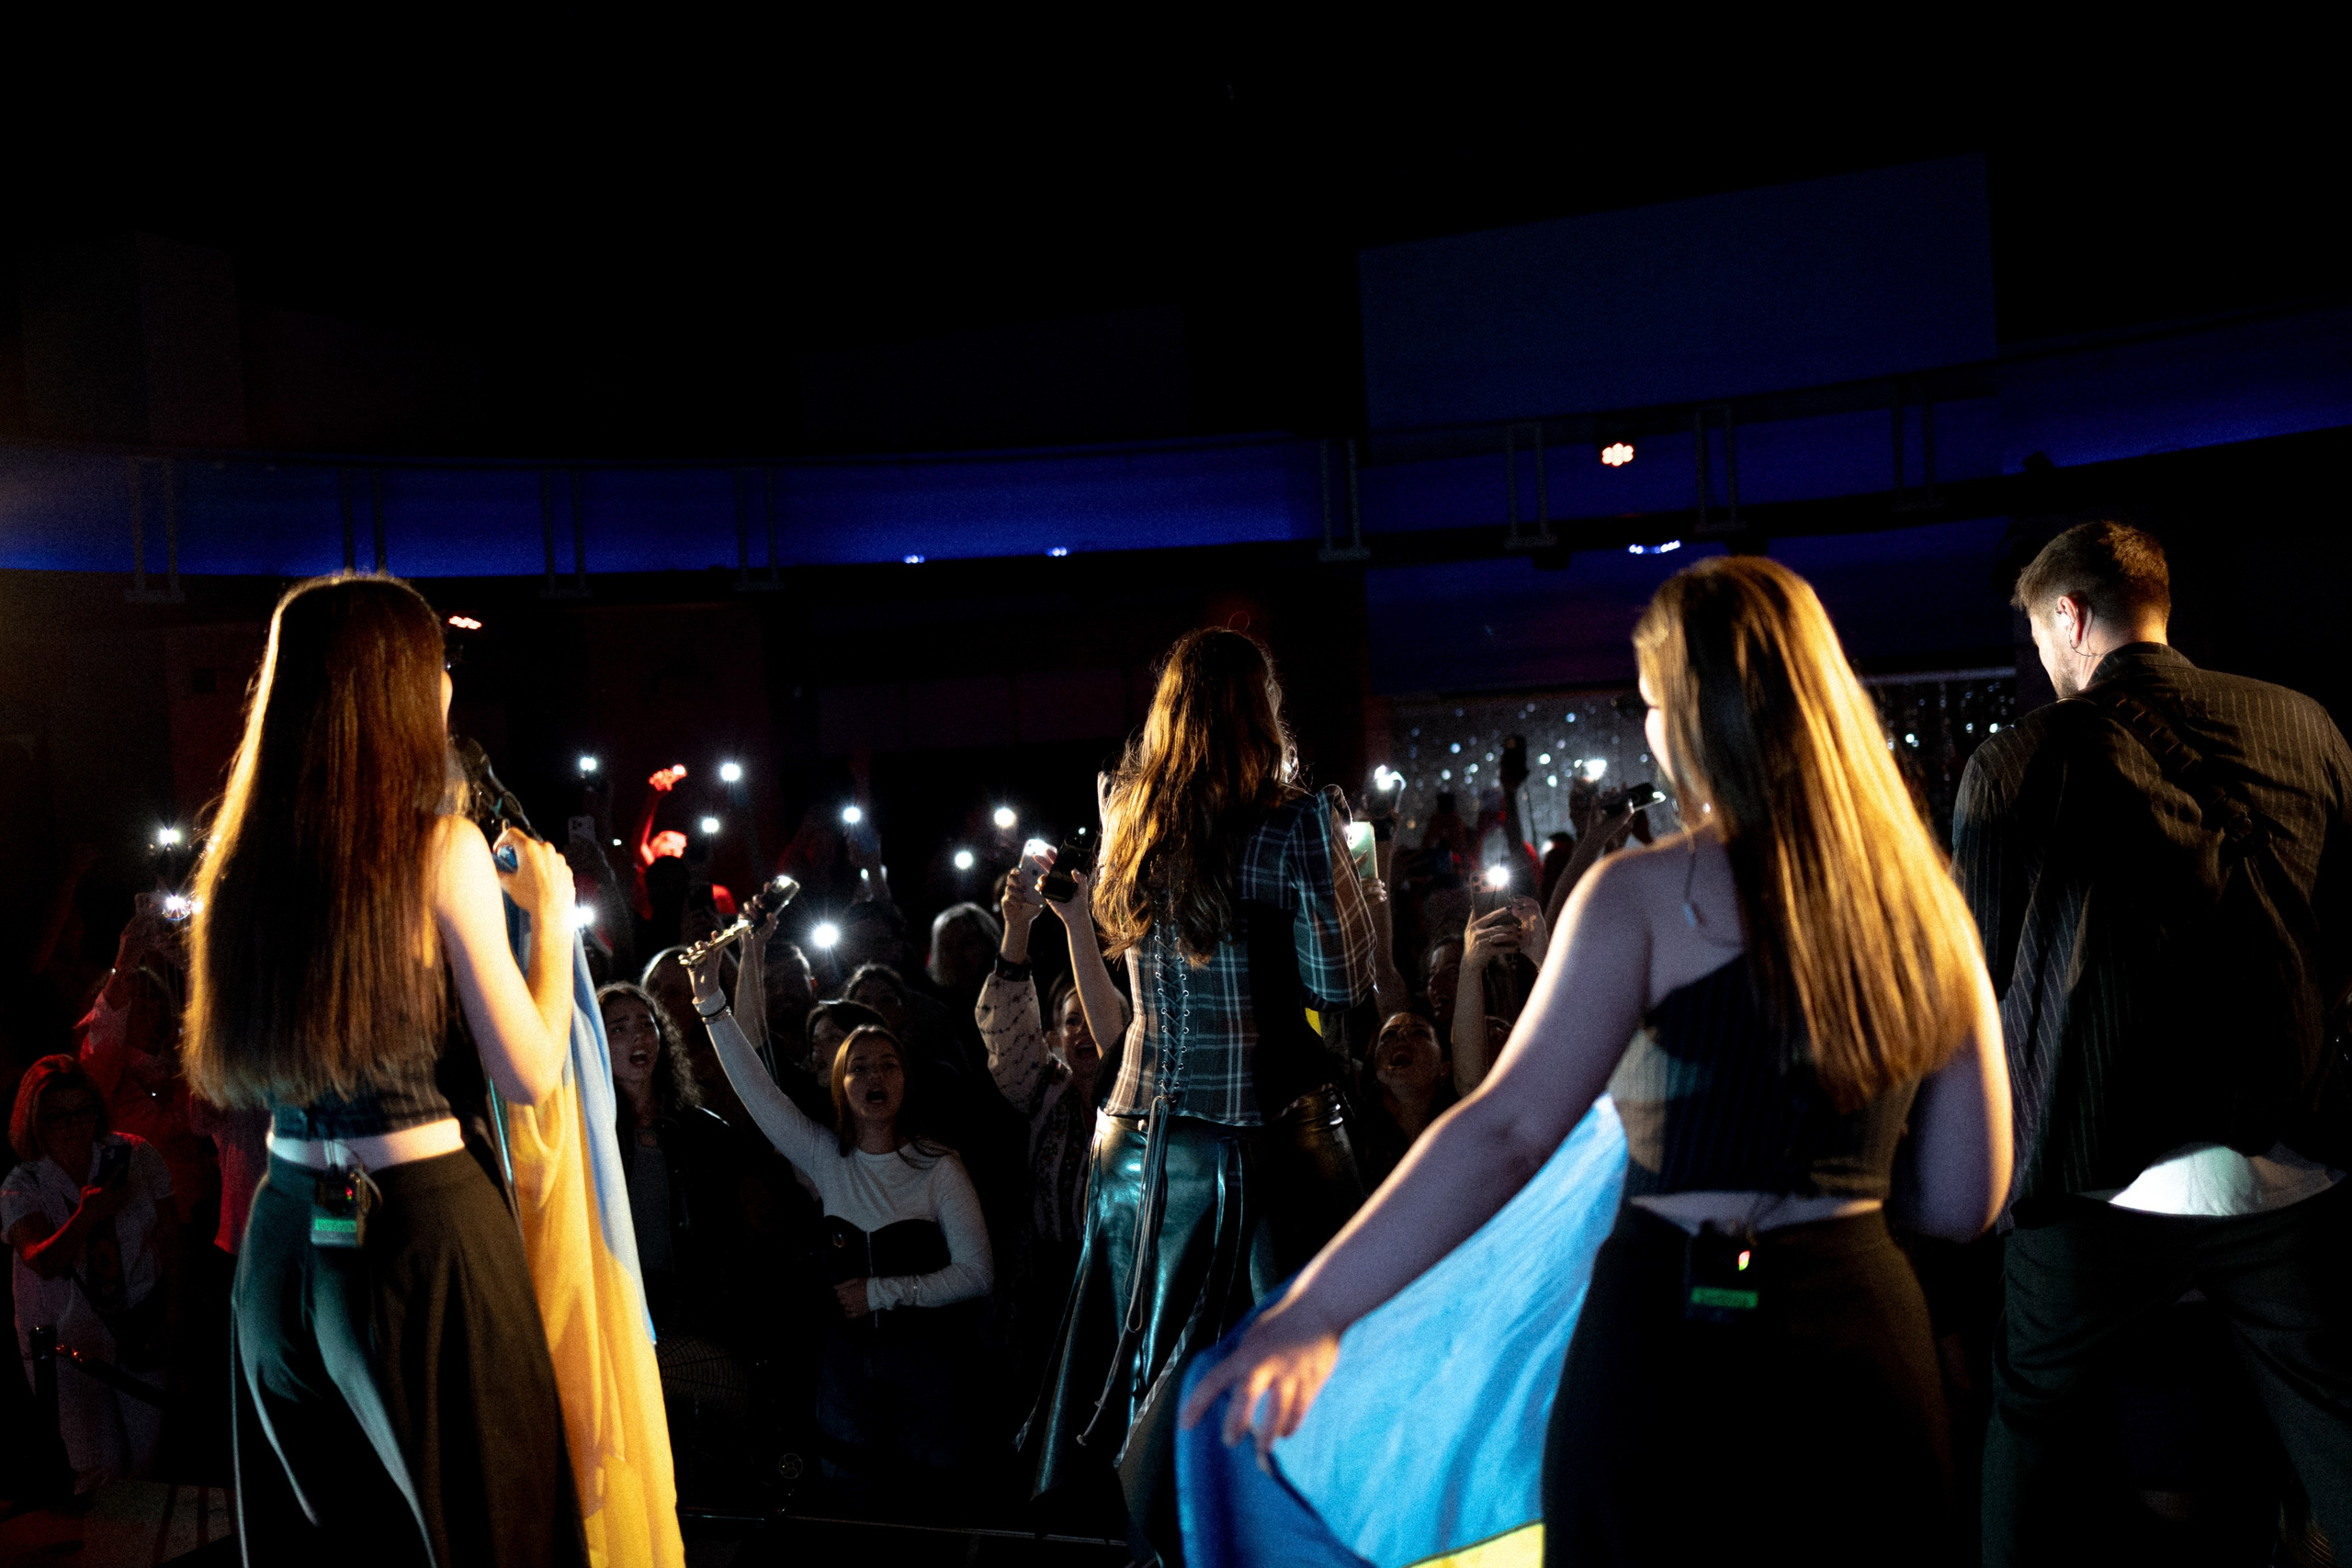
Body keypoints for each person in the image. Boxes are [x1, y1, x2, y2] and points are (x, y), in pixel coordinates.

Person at [1185, 556, 2013, 1568]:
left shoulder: (1643, 895)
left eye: (1652, 701)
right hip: (1862, 1350)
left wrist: (1316, 1310)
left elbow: (1507, 1129)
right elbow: (1965, 1197)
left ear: (1688, 717)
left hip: (1669, 1348)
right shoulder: (1927, 906)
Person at [1953, 522, 2352, 1561]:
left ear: (2070, 617)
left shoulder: (2016, 762)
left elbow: (1980, 985)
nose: (2045, 665)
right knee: (2341, 1438)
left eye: (2043, 638)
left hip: (2095, 1181)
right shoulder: (2307, 728)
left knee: (2028, 1427)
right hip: (2290, 1169)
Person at [182, 573, 583, 1567]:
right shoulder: (437, 850)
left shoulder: (242, 861)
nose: (447, 683)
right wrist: (555, 926)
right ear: (390, 688)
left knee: (328, 1546)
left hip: (282, 1238)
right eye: (434, 663)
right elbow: (530, 1072)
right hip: (416, 1233)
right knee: (487, 1528)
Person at [1026, 626, 1381, 1565]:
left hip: (1138, 1142)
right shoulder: (1296, 822)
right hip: (1260, 1142)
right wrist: (1356, 890)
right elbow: (1340, 984)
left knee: (1156, 1371)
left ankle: (1162, 1553)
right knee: (1294, 1375)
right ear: (1260, 714)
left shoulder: (1126, 810)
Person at [685, 954, 993, 1509]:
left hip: (927, 1372)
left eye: (887, 1064)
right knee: (853, 1509)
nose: (874, 1076)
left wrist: (884, 1291)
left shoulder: (939, 1168)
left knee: (935, 1509)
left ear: (906, 1078)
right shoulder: (828, 1160)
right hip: (848, 1371)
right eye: (859, 1067)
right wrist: (710, 1002)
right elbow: (759, 1094)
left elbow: (978, 1275)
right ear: (840, 1085)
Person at [5, 1055, 182, 1490]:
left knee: (146, 1463)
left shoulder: (135, 1155)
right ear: (36, 1122)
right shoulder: (23, 1183)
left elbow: (173, 1242)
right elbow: (42, 1260)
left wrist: (174, 1319)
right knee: (99, 1466)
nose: (75, 1126)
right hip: (66, 1341)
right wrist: (86, 1215)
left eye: (82, 1112)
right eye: (59, 1117)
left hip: (140, 1323)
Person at [1352, 1010, 1453, 1188]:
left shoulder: (1459, 1135)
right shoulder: (1352, 1143)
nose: (1402, 1037)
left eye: (1420, 1032)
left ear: (1444, 1068)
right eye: (1388, 1035)